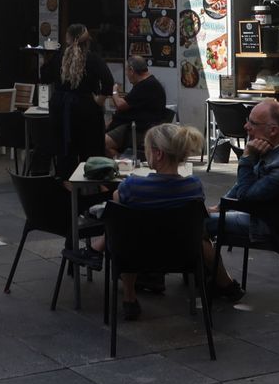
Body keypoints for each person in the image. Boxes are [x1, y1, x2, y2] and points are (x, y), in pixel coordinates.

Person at [205, 99, 279, 301]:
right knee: (203, 215)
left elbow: (245, 196)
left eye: (252, 123)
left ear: (273, 130)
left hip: (270, 224)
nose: (245, 126)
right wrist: (220, 206)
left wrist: (248, 157)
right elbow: (246, 187)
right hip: (277, 213)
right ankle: (208, 274)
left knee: (195, 222)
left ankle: (224, 285)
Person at [88, 122, 206, 318]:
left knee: (123, 227)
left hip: (134, 255)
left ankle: (129, 296)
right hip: (180, 254)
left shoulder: (133, 186)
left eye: (146, 150)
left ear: (158, 154)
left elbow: (117, 200)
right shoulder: (194, 186)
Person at [45, 24, 114, 178]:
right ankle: (90, 183)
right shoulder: (93, 59)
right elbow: (108, 81)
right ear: (87, 40)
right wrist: (100, 101)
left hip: (61, 108)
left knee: (64, 149)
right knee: (90, 150)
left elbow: (45, 77)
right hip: (86, 108)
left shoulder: (58, 58)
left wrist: (46, 59)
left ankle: (66, 185)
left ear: (68, 38)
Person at [105, 56, 170, 158]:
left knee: (101, 143)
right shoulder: (145, 84)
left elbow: (120, 104)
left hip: (139, 130)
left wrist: (114, 90)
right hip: (132, 126)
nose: (126, 74)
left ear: (131, 70)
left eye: (126, 71)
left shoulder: (147, 85)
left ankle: (123, 162)